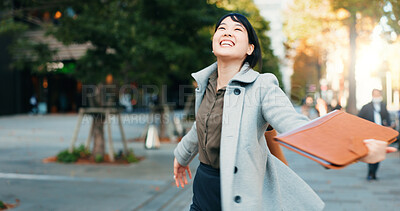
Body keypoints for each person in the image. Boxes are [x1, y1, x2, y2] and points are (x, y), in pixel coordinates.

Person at [173, 13, 396, 210]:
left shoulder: (262, 86)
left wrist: (358, 149)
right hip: (203, 186)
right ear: (213, 45)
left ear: (250, 48)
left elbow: (297, 125)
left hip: (239, 188)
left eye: (237, 29)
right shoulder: (206, 83)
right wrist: (181, 157)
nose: (227, 32)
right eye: (222, 28)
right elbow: (200, 127)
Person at [358, 89, 393, 181]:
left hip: (380, 133)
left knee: (379, 153)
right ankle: (370, 173)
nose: (377, 97)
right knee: (371, 153)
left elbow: (387, 117)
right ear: (372, 95)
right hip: (370, 133)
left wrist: (389, 125)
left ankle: (374, 173)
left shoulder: (382, 106)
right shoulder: (366, 107)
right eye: (375, 95)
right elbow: (359, 119)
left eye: (378, 95)